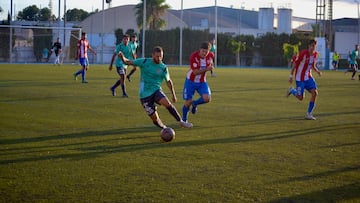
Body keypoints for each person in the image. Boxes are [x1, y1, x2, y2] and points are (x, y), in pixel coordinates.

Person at [118, 46, 193, 130]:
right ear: (153, 55)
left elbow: (168, 81)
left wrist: (173, 94)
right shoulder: (144, 61)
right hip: (144, 95)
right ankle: (164, 128)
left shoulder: (163, 67)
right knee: (155, 118)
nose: (159, 58)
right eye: (157, 56)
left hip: (156, 90)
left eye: (161, 56)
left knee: (167, 103)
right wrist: (122, 58)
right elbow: (128, 62)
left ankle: (181, 121)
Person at [286, 39, 322, 120]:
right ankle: (292, 90)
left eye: (314, 46)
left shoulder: (315, 55)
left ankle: (309, 114)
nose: (313, 47)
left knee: (315, 93)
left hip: (308, 77)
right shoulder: (303, 53)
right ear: (309, 46)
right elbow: (295, 63)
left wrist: (317, 71)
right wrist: (291, 75)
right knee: (300, 97)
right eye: (312, 45)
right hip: (300, 78)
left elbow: (312, 65)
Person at [181, 42, 214, 123]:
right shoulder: (194, 56)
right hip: (191, 81)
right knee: (188, 102)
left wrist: (211, 68)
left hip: (202, 82)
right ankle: (184, 120)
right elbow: (195, 72)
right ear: (200, 50)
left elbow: (211, 62)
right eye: (203, 51)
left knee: (207, 98)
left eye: (206, 52)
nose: (204, 53)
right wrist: (207, 69)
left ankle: (195, 103)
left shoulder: (211, 55)